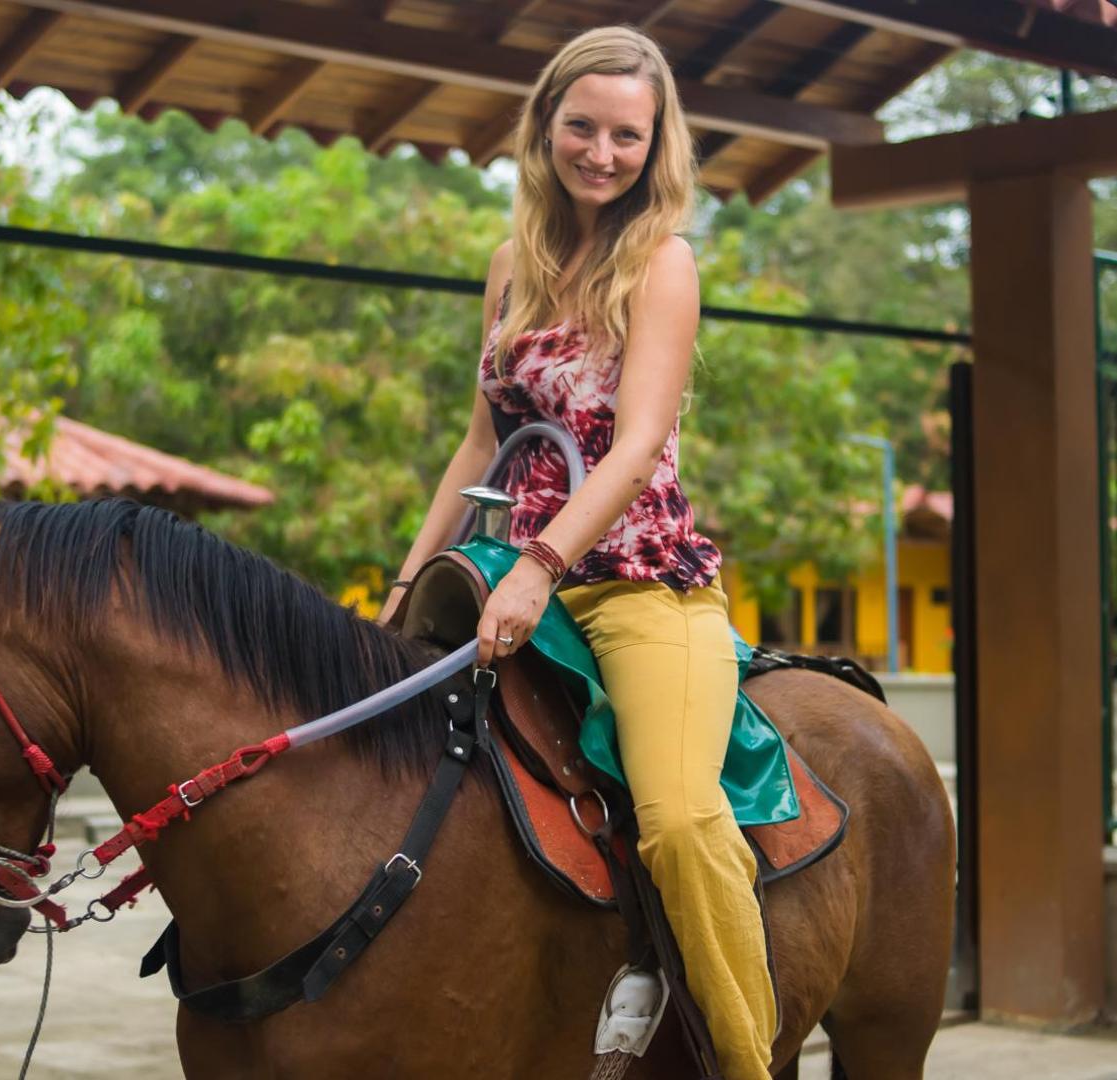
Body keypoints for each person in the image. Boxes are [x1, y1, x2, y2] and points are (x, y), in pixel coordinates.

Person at [378, 25, 776, 1080]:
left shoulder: (663, 261)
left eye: (628, 137)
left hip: (639, 585)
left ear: (659, 146)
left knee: (684, 823)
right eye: (583, 128)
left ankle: (743, 1059)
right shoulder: (511, 265)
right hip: (507, 573)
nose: (603, 153)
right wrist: (410, 580)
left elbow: (640, 442)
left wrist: (541, 563)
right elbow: (483, 442)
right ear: (546, 125)